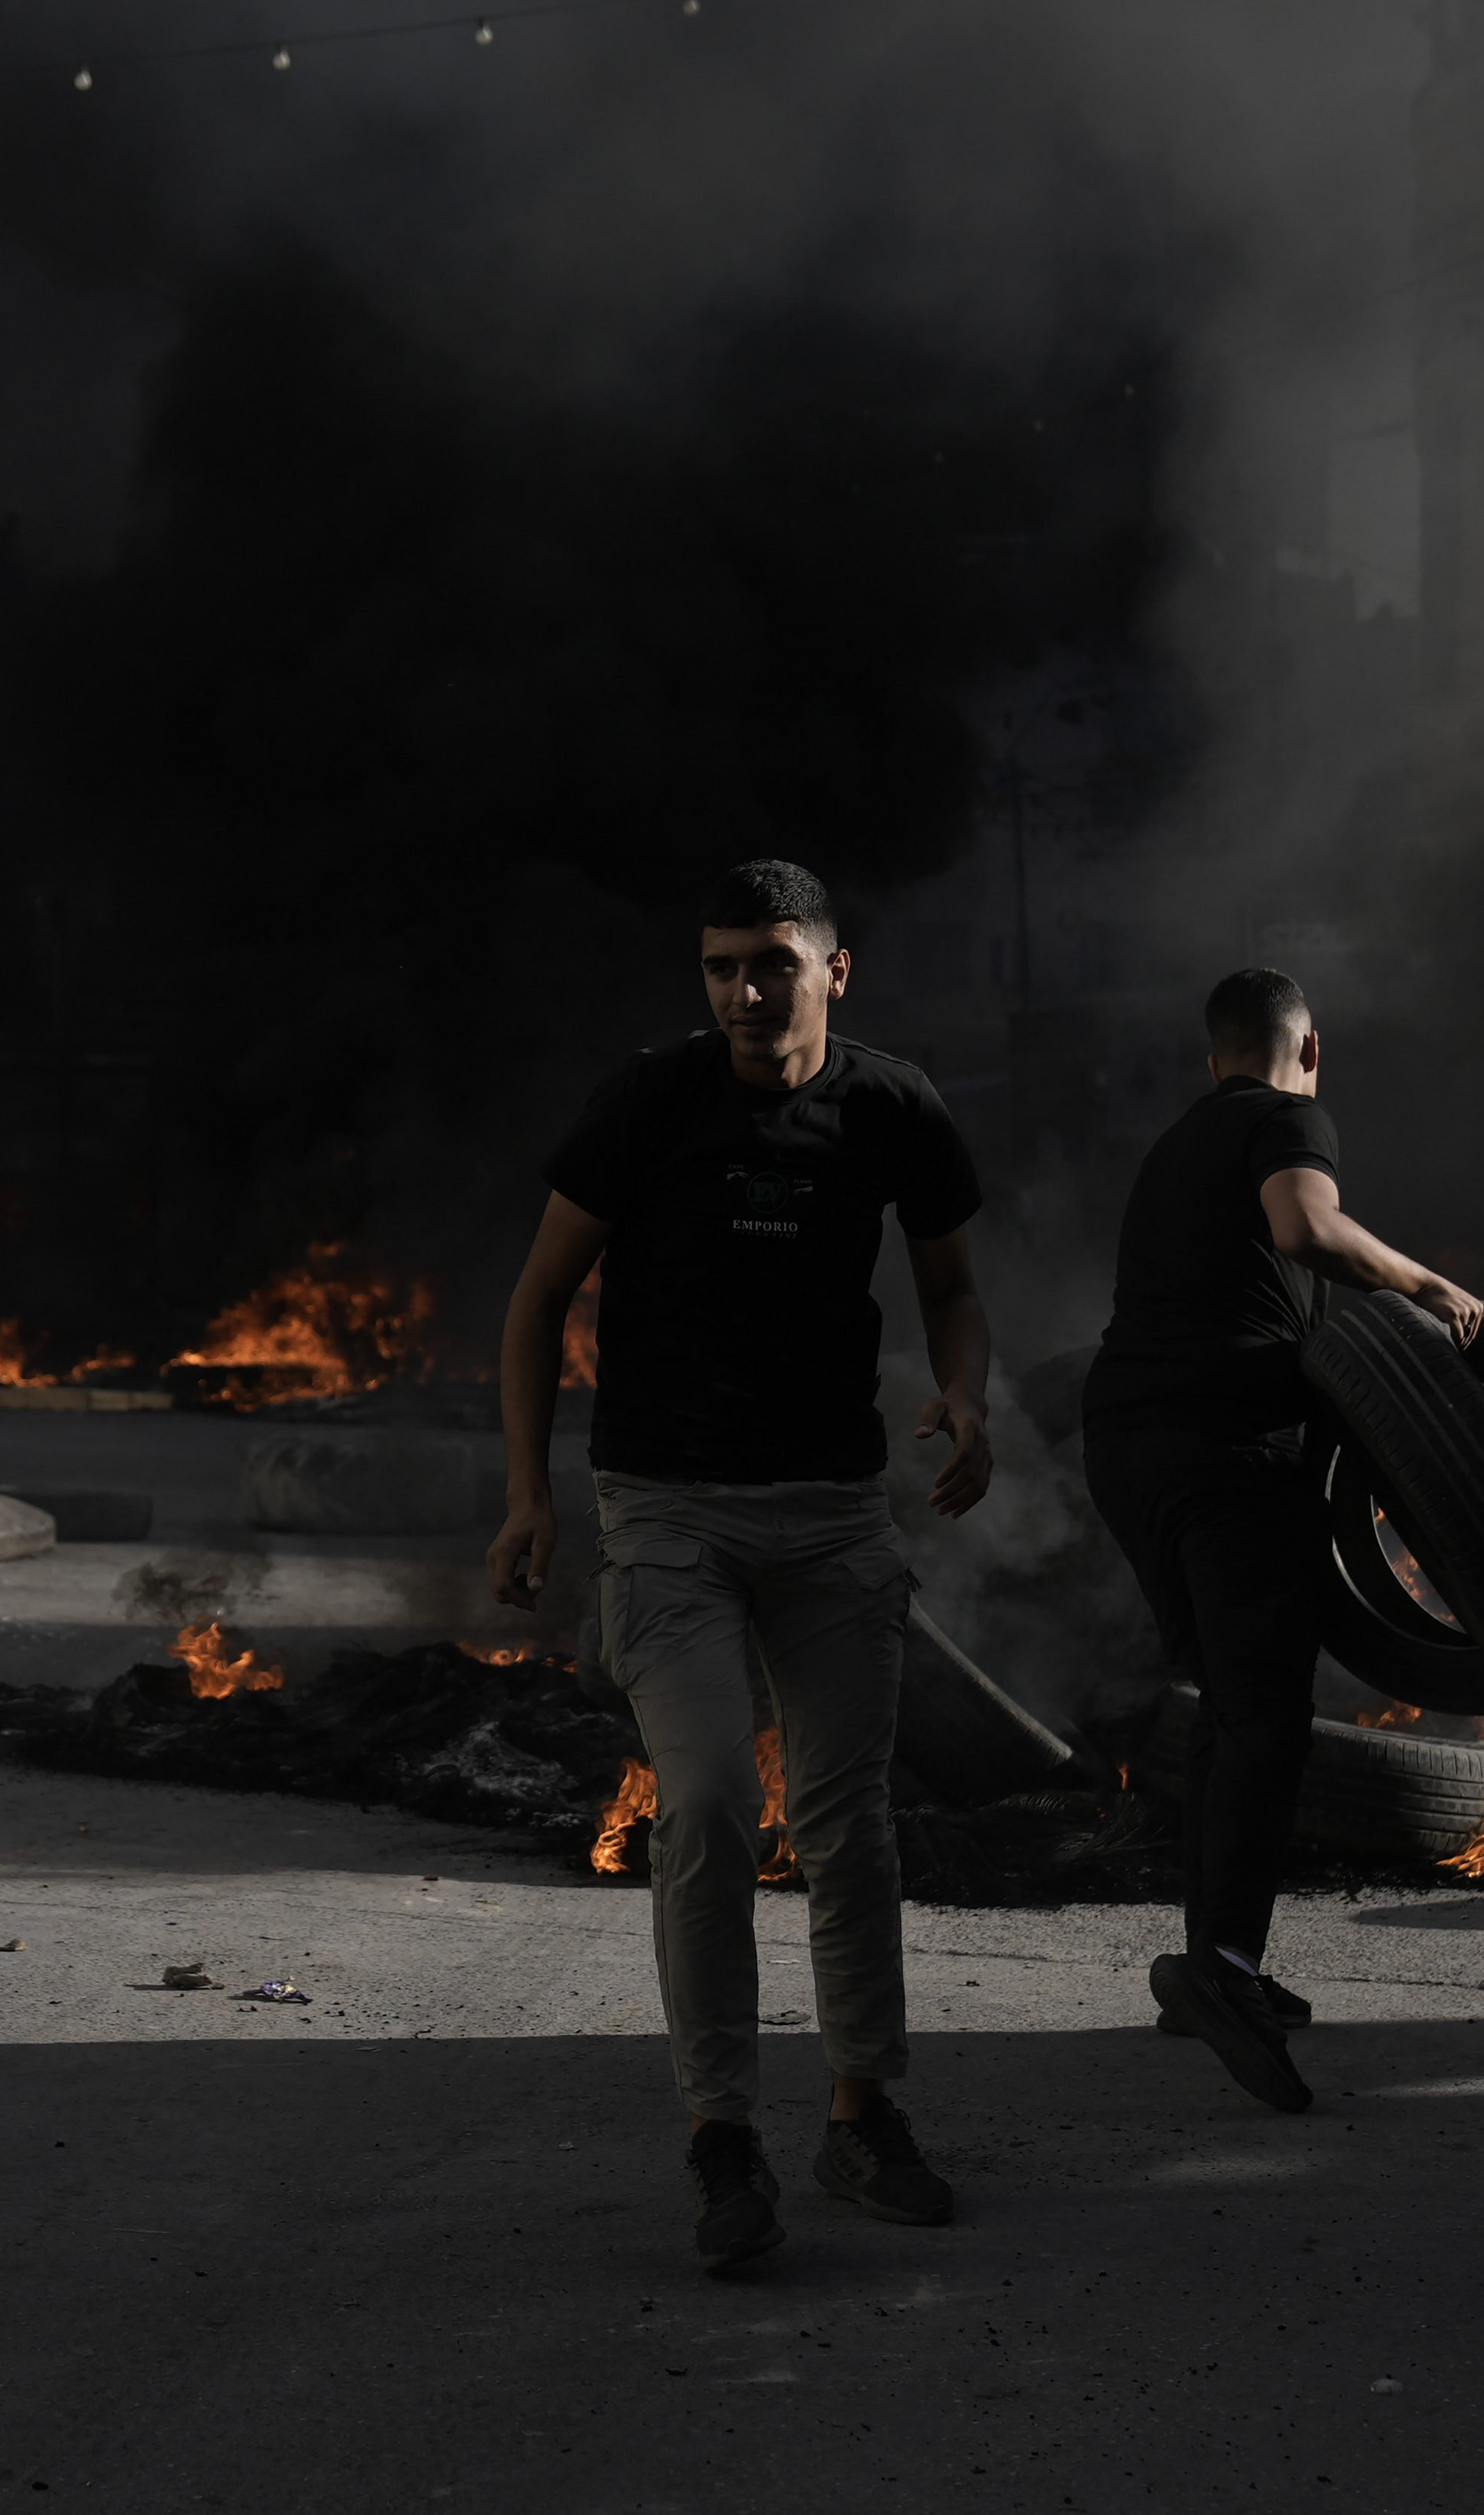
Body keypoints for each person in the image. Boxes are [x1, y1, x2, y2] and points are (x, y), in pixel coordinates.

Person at [488, 860, 992, 2270]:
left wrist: (968, 1397)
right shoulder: (651, 1102)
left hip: (832, 1515)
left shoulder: (894, 1106)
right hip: (669, 1513)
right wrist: (528, 1497)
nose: (744, 991)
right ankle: (722, 2135)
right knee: (707, 1804)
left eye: (772, 962)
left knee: (849, 1824)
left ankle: (862, 2116)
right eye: (721, 967)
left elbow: (954, 1287)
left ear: (836, 969)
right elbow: (538, 1300)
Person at [1080, 968, 1480, 2115]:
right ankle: (1227, 1969)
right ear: (1310, 1050)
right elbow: (1307, 1228)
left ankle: (1208, 1961)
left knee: (1226, 1701)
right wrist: (1427, 1284)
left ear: (1211, 1057)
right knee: (1266, 1713)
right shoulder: (1289, 1119)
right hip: (1226, 1450)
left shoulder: (1178, 1142)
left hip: (1130, 1448)